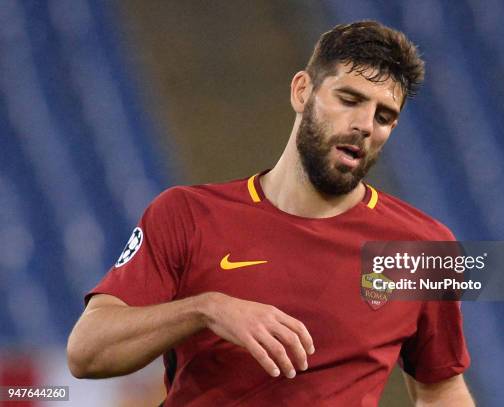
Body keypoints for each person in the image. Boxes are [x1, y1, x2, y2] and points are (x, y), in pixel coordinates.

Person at [67, 20, 474, 406]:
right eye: (349, 99)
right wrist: (205, 309)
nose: (366, 125)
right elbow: (87, 353)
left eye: (384, 117)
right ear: (302, 91)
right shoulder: (187, 215)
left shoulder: (421, 248)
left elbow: (441, 390)